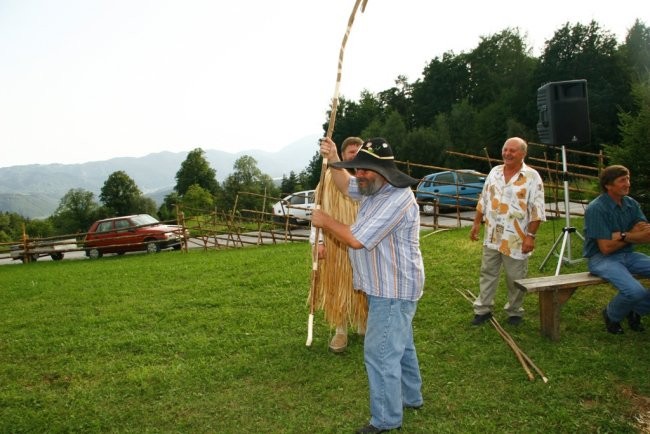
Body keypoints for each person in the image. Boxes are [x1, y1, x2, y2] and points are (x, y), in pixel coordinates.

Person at [311, 137, 424, 434]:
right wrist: (335, 155)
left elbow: (355, 238)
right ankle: (411, 396)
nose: (358, 175)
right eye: (357, 168)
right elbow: (343, 183)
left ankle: (386, 420)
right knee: (403, 344)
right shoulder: (372, 188)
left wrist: (324, 221)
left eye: (365, 170)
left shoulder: (397, 198)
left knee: (380, 352)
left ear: (383, 170)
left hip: (393, 289)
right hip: (382, 286)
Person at [469, 137, 546, 326]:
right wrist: (477, 223)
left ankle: (514, 311)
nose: (507, 154)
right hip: (493, 234)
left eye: (513, 150)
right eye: (505, 150)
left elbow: (537, 209)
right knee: (488, 272)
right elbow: (484, 199)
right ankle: (483, 309)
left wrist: (531, 236)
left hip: (516, 237)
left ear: (523, 154)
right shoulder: (494, 172)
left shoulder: (532, 176)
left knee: (515, 277)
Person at [309, 136, 367, 353]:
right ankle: (340, 330)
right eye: (351, 152)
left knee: (363, 286)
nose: (354, 154)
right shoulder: (328, 180)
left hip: (361, 244)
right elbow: (317, 212)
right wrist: (319, 242)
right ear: (342, 155)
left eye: (358, 151)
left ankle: (363, 323)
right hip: (335, 245)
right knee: (337, 287)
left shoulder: (367, 179)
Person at [583, 165, 650, 334]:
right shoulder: (596, 208)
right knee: (635, 291)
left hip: (628, 254)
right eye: (622, 180)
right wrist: (632, 234)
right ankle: (612, 315)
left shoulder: (631, 203)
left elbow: (646, 235)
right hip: (601, 259)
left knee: (636, 294)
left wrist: (621, 235)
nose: (628, 183)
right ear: (608, 185)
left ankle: (636, 310)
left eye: (628, 179)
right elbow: (605, 248)